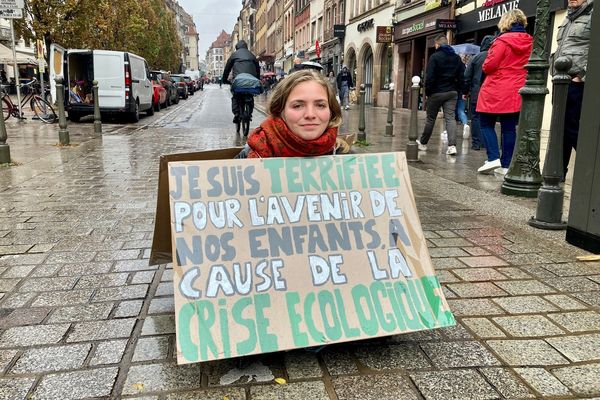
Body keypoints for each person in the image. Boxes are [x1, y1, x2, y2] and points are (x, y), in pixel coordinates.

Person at [235, 70, 344, 158]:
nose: (310, 114)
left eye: (320, 105)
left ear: (331, 111)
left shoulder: (346, 158)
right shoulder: (252, 154)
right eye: (298, 106)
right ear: (280, 110)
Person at [476, 9, 533, 175]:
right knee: (509, 128)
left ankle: (493, 157)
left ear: (505, 22)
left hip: (496, 87)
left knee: (486, 122)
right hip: (516, 88)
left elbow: (489, 65)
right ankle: (506, 165)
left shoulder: (501, 41)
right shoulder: (530, 41)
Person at [552, 0, 592, 179]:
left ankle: (590, 168)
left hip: (577, 82)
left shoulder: (593, 15)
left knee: (572, 127)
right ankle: (559, 171)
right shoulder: (568, 18)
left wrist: (582, 75)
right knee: (560, 128)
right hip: (560, 81)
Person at [416, 34, 465, 156]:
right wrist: (458, 91)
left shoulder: (435, 57)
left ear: (437, 44)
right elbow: (461, 77)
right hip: (452, 92)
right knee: (450, 118)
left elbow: (430, 76)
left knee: (430, 119)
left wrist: (428, 92)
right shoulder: (456, 58)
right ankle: (452, 146)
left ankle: (423, 143)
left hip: (436, 92)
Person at [464, 35, 495, 150]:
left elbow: (467, 76)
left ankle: (476, 143)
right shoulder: (495, 56)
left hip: (477, 93)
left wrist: (465, 91)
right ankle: (486, 143)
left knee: (476, 117)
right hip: (492, 92)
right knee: (489, 118)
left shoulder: (476, 58)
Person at [222, 40, 260, 124]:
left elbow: (227, 69)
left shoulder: (234, 55)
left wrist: (224, 79)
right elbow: (258, 69)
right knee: (250, 95)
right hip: (251, 81)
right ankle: (249, 113)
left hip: (238, 81)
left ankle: (236, 113)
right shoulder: (252, 55)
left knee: (236, 96)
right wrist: (257, 79)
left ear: (237, 48)